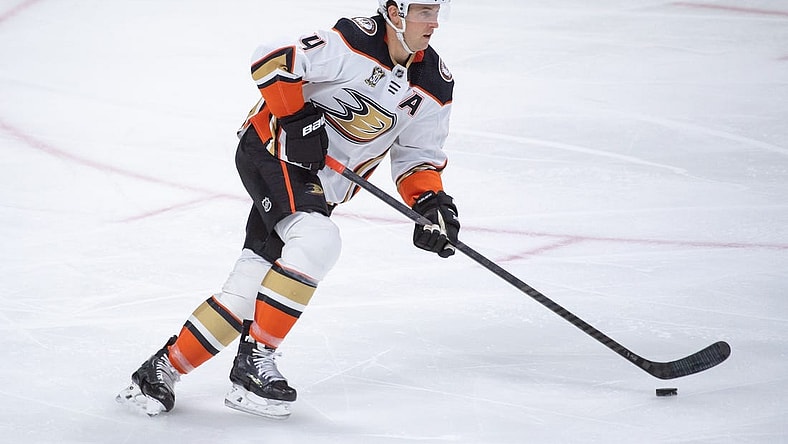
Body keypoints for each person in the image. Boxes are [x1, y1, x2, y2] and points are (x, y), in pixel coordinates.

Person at [116, 0, 459, 420]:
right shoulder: (353, 39)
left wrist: (431, 204)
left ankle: (160, 371)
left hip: (319, 186)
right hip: (270, 151)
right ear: (394, 12)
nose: (434, 22)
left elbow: (417, 159)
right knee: (317, 239)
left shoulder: (435, 85)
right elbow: (272, 59)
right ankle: (254, 362)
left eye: (436, 11)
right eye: (424, 11)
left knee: (249, 290)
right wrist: (296, 119)